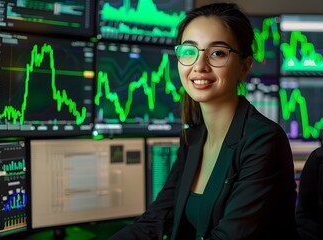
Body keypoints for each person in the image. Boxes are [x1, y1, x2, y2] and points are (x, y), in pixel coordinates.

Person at [111, 3, 297, 239]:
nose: (199, 66)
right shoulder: (194, 138)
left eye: (217, 53)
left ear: (244, 66)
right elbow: (155, 220)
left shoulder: (263, 141)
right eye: (189, 52)